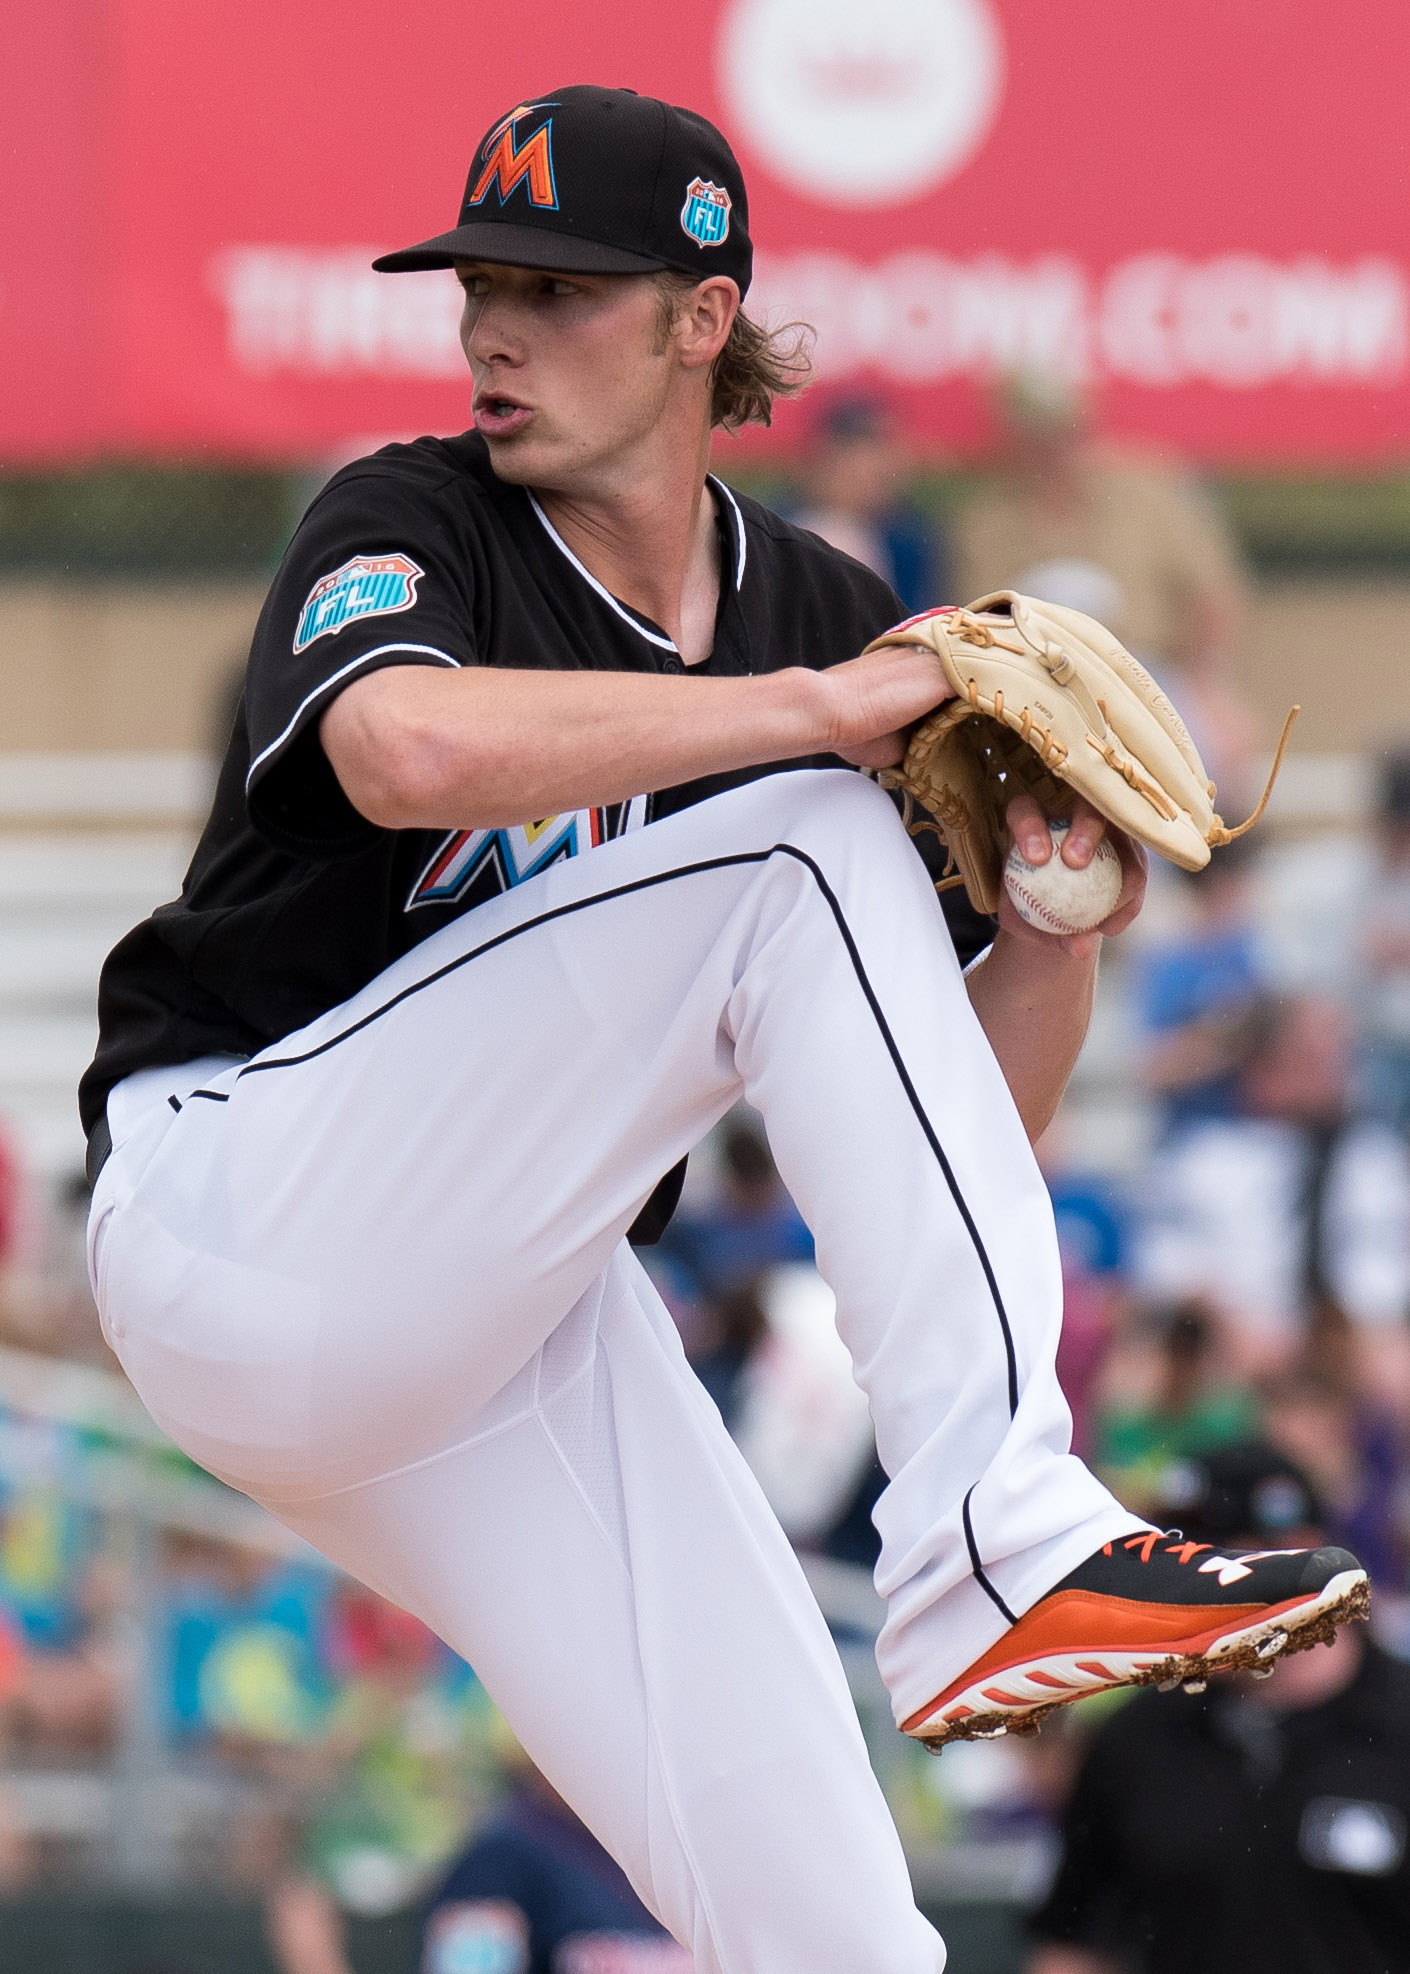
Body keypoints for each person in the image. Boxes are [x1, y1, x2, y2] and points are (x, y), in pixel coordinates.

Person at [78, 87, 1365, 1972]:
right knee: (809, 834)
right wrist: (816, 713)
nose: (491, 329)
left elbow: (942, 1136)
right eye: (475, 286)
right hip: (244, 1204)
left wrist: (1053, 919)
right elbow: (402, 747)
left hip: (508, 1317)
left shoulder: (816, 613)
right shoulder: (418, 516)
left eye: (556, 286)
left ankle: (984, 1538)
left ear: (703, 317)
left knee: (841, 1926)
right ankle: (990, 1534)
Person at [1028, 1444, 1410, 1974]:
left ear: (1296, 1557)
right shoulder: (1135, 1740)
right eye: (1173, 1567)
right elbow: (1075, 1945)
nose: (1179, 1594)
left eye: (1205, 1567)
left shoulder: (1397, 1724)